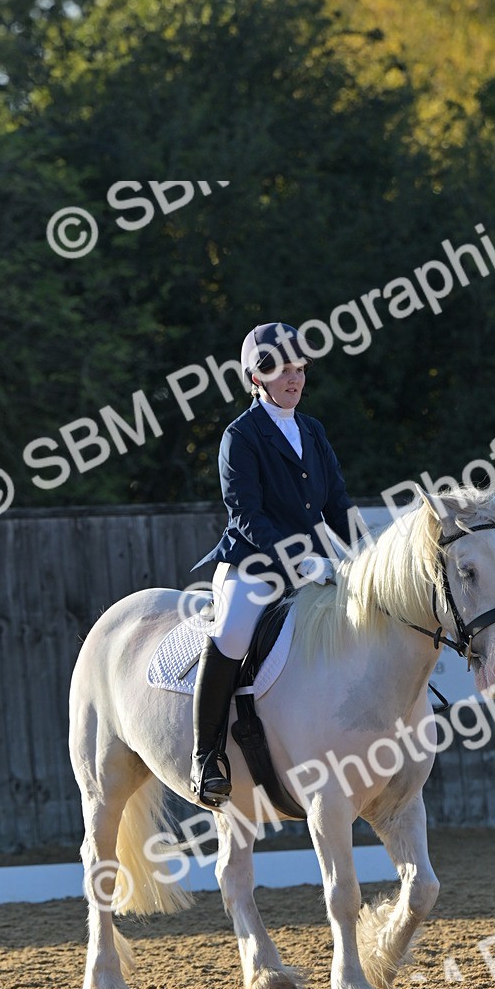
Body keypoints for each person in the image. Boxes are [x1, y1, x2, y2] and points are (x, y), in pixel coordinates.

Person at [189, 321, 357, 809]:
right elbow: (246, 515)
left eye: (300, 369)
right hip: (252, 566)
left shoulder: (312, 429)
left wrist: (365, 557)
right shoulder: (239, 436)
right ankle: (207, 758)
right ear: (258, 376)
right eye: (284, 370)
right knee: (234, 634)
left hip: (312, 567)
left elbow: (338, 504)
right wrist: (299, 562)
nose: (295, 379)